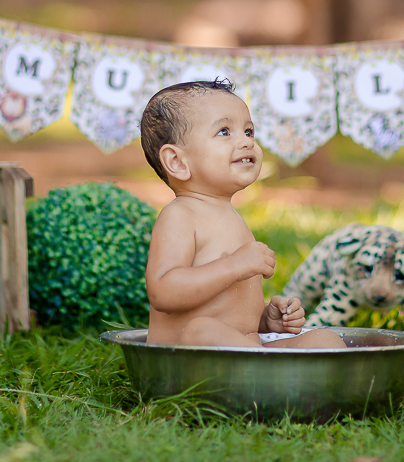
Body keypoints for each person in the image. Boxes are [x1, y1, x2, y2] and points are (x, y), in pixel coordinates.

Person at [140, 80, 346, 349]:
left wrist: (266, 319)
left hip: (244, 352)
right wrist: (233, 265)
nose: (246, 142)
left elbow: (230, 308)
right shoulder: (180, 216)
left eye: (248, 131)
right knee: (202, 331)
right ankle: (271, 378)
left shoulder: (232, 217)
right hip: (185, 357)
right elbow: (163, 292)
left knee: (325, 340)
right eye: (224, 131)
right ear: (178, 162)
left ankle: (272, 378)